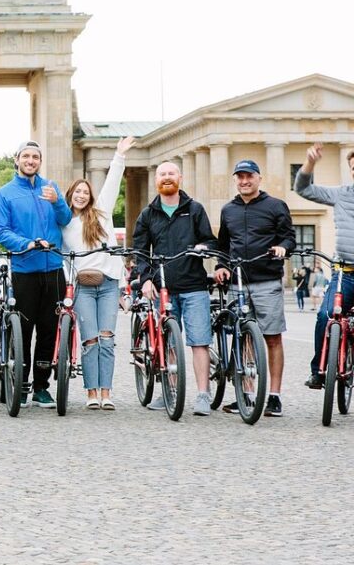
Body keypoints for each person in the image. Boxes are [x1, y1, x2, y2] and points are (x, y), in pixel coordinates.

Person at [131, 161, 217, 416]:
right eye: (162, 174)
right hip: (162, 286)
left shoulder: (195, 209)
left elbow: (210, 240)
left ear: (180, 177)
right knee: (167, 342)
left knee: (199, 341)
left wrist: (203, 248)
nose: (166, 178)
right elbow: (140, 251)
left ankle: (203, 394)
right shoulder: (148, 214)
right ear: (156, 180)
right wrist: (145, 279)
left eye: (171, 173)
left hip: (193, 285)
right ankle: (169, 390)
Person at [0, 140, 72, 409]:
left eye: (35, 156)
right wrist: (24, 243)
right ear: (17, 160)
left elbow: (66, 219)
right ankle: (21, 385)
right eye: (26, 156)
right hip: (24, 269)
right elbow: (0, 230)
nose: (30, 160)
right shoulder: (5, 193)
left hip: (54, 268)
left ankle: (42, 387)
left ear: (40, 161)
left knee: (49, 330)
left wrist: (58, 201)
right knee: (23, 330)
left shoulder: (51, 188)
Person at [213, 160, 295, 417]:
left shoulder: (275, 206)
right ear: (235, 180)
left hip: (267, 280)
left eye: (249, 176)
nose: (244, 181)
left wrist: (284, 247)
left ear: (259, 178)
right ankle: (246, 395)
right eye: (239, 177)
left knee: (272, 338)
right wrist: (220, 265)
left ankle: (274, 396)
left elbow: (289, 236)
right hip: (238, 282)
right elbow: (223, 245)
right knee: (243, 338)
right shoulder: (228, 210)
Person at [62, 136, 133, 410]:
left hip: (108, 284)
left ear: (90, 196)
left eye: (85, 192)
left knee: (107, 338)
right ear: (71, 195)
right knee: (89, 339)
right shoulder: (65, 224)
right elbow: (63, 259)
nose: (81, 195)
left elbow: (113, 181)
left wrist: (119, 156)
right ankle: (91, 392)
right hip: (82, 286)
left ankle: (107, 392)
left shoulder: (100, 213)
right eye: (76, 192)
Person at [295, 142, 354, 389]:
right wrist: (310, 163)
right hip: (345, 272)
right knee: (325, 315)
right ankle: (319, 371)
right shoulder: (341, 194)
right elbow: (303, 189)